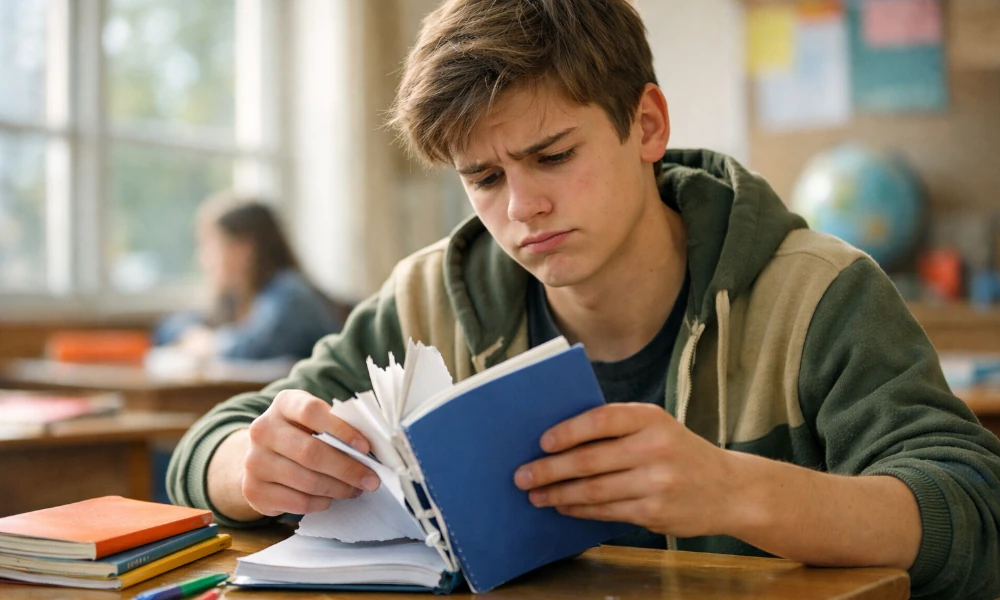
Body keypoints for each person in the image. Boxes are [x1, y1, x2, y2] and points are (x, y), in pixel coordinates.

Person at [167, 2, 1000, 598]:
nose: (521, 208)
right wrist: (251, 467)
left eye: (554, 156)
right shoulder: (429, 296)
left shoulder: (818, 293)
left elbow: (976, 511)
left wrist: (735, 491)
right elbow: (205, 449)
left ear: (647, 125)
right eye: (483, 178)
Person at [154, 193, 343, 361]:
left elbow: (258, 347)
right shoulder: (235, 299)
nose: (202, 259)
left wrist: (211, 344)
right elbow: (167, 330)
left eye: (210, 245)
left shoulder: (290, 293)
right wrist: (192, 335)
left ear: (245, 248)